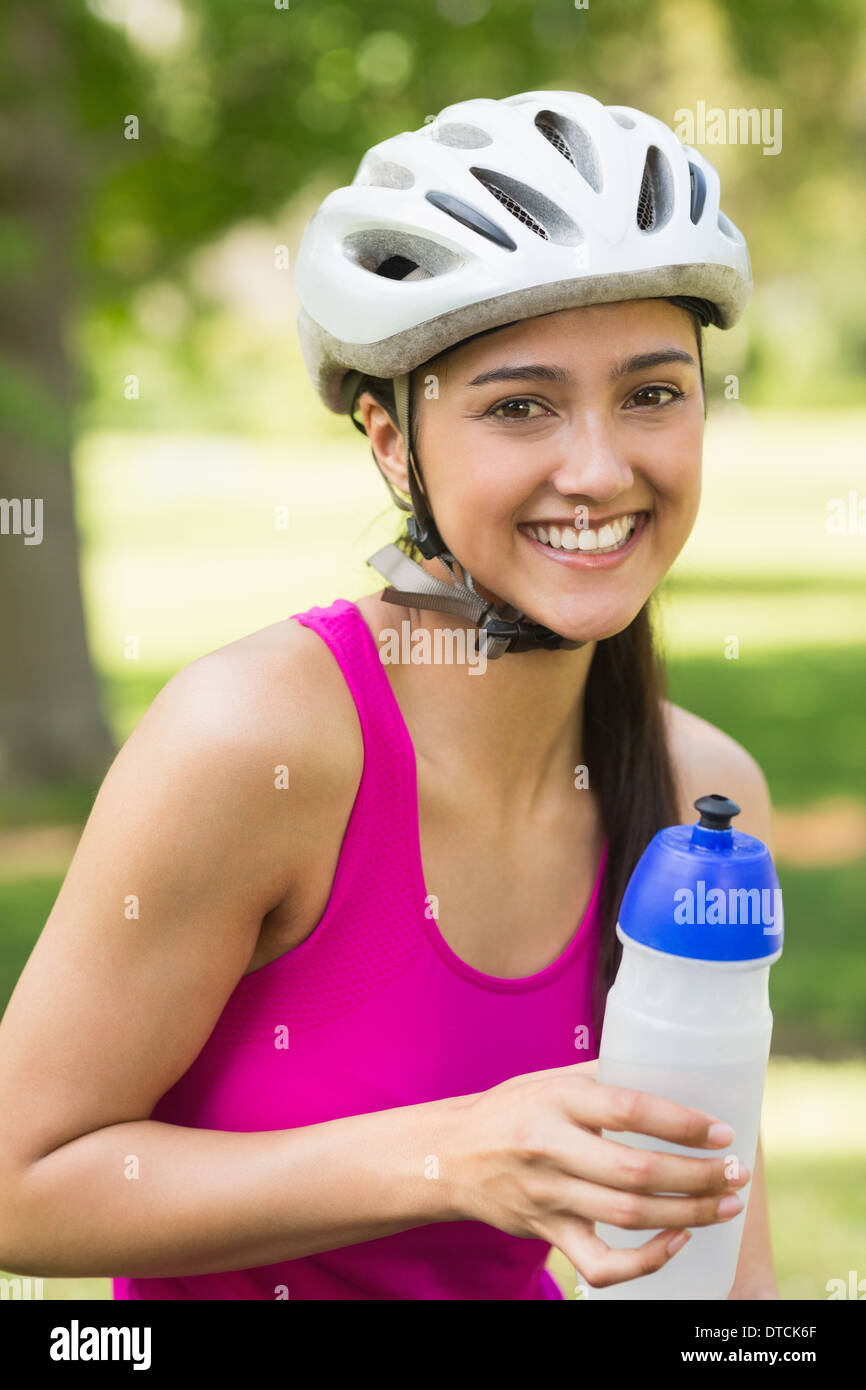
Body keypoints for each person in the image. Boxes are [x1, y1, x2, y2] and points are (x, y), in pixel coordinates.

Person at [0, 91, 779, 1300]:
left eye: (651, 392)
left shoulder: (704, 800)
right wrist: (444, 1156)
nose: (597, 467)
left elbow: (721, 1271)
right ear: (388, 439)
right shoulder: (251, 743)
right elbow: (21, 1181)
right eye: (518, 405)